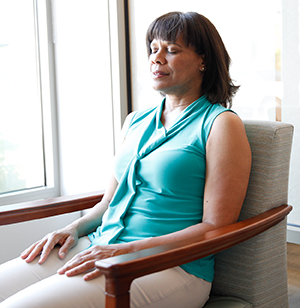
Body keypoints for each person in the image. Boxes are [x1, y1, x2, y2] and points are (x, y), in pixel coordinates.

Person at [0, 11, 251, 308]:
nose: (156, 58)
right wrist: (71, 229)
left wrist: (125, 251)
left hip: (170, 267)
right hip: (101, 244)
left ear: (203, 60)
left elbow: (215, 226)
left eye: (171, 50)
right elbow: (108, 203)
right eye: (153, 49)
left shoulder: (221, 124)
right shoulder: (135, 121)